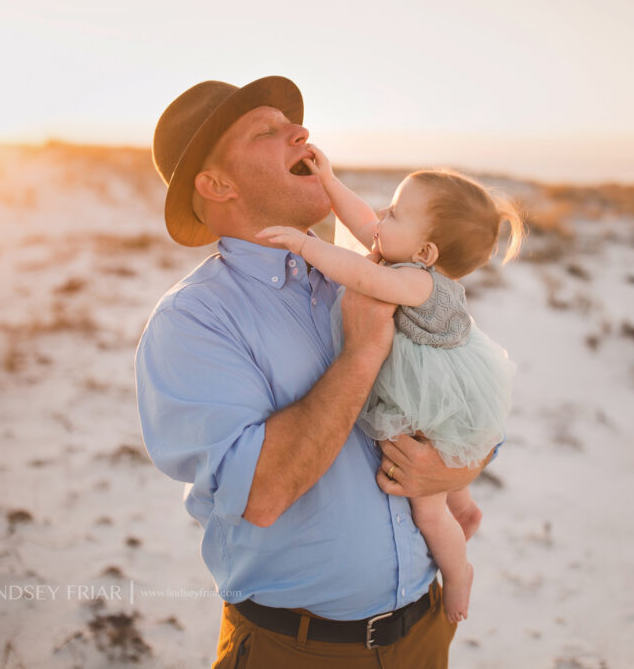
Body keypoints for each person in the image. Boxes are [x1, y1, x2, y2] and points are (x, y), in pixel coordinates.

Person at [135, 76, 493, 668]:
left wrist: (453, 469)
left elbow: (467, 396)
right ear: (217, 184)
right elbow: (261, 493)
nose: (300, 131)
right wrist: (361, 353)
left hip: (426, 633)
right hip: (298, 650)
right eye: (266, 131)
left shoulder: (368, 272)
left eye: (293, 123)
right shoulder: (194, 320)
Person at [258, 144, 522, 624]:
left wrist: (305, 245)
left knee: (427, 510)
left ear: (425, 253)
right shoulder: (404, 256)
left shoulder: (419, 282)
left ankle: (458, 572)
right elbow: (363, 220)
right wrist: (330, 181)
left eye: (396, 213)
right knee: (443, 460)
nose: (382, 215)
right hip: (430, 393)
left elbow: (360, 274)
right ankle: (465, 505)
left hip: (432, 397)